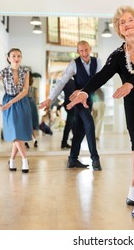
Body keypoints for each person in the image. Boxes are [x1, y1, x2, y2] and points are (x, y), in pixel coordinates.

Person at [67, 5, 134, 219]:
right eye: (122, 22)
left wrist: (130, 84)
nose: (127, 24)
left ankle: (133, 193)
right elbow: (101, 76)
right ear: (119, 30)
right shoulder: (117, 55)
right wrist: (84, 92)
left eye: (130, 20)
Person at [39, 41, 102, 171]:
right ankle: (95, 159)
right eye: (81, 51)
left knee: (80, 130)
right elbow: (62, 82)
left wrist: (84, 90)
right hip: (77, 100)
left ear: (90, 49)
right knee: (89, 124)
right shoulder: (74, 64)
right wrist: (50, 98)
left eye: (86, 50)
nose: (84, 53)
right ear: (78, 52)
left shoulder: (97, 62)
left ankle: (72, 159)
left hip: (89, 98)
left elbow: (100, 80)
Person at [60, 78, 76, 148]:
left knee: (72, 121)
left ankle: (74, 138)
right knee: (70, 123)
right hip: (72, 104)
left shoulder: (64, 82)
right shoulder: (75, 82)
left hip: (66, 103)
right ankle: (64, 142)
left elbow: (58, 91)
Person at [25, 71, 39, 148]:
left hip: (25, 105)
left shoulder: (24, 89)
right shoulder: (34, 89)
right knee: (32, 124)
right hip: (32, 105)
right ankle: (34, 140)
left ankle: (26, 141)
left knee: (26, 124)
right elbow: (36, 99)